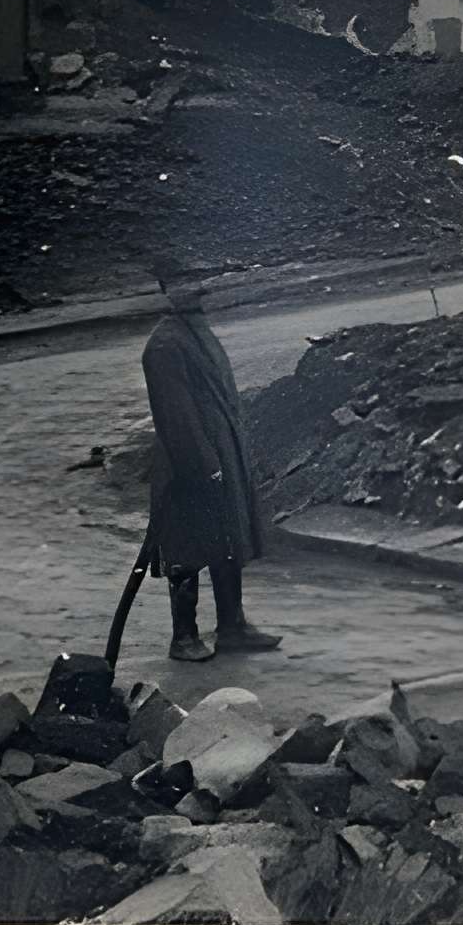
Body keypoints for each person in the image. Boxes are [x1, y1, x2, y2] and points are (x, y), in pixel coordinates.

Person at [142, 258, 282, 663]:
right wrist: (205, 466)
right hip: (189, 466)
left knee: (227, 539)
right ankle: (183, 637)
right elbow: (176, 416)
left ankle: (232, 627)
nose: (192, 289)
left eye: (195, 280)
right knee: (186, 548)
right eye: (181, 283)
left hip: (220, 452)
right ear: (167, 291)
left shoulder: (195, 330)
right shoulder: (165, 344)